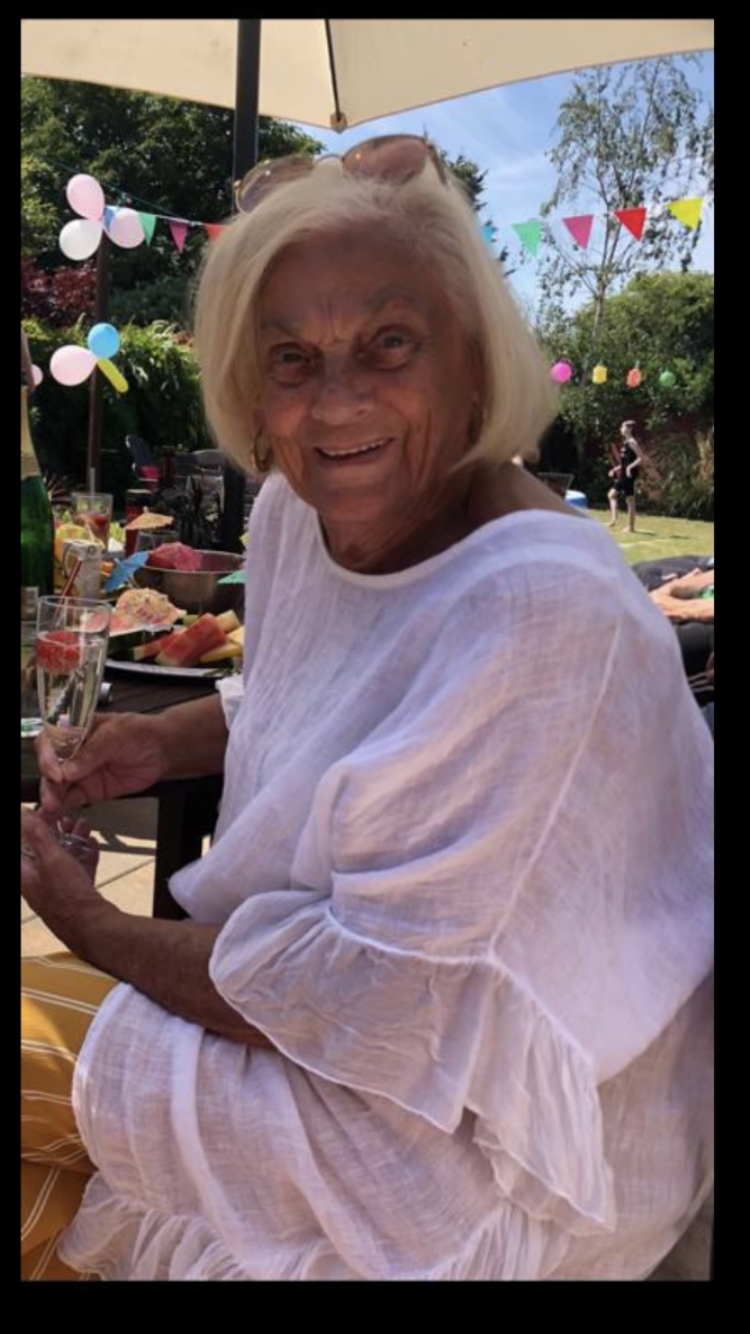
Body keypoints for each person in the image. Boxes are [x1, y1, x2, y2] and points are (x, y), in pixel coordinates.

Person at [22, 134, 713, 1282]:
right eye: (289, 356)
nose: (336, 402)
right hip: (333, 1032)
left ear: (474, 361)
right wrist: (158, 741)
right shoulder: (301, 510)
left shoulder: (542, 613)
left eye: (390, 342)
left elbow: (355, 1002)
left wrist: (87, 921)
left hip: (491, 1159)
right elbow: (322, 688)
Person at [607, 420, 644, 532]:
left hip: (629, 475)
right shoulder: (626, 442)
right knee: (612, 495)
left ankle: (631, 527)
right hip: (623, 474)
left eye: (622, 427)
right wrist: (616, 469)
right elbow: (626, 462)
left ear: (629, 429)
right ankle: (613, 520)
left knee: (629, 499)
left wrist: (629, 468)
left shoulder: (632, 442)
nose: (620, 429)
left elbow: (641, 457)